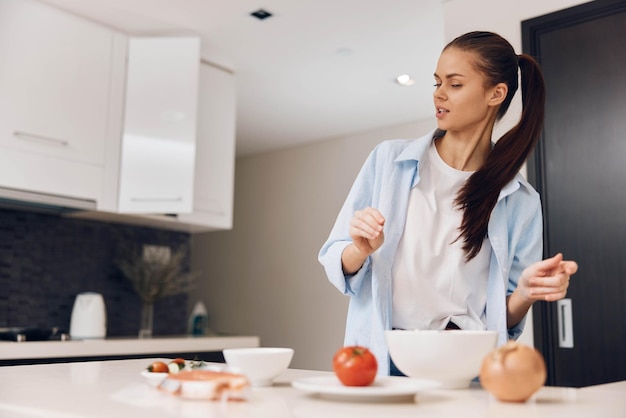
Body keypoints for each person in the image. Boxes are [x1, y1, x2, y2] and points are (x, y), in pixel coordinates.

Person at [318, 31, 578, 376]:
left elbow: (505, 318)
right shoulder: (388, 160)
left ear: (495, 94)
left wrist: (526, 294)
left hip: (466, 363)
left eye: (454, 84)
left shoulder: (522, 201)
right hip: (387, 358)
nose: (438, 94)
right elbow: (336, 259)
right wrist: (359, 250)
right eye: (437, 82)